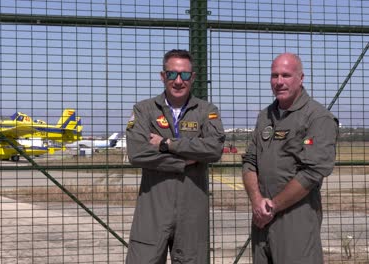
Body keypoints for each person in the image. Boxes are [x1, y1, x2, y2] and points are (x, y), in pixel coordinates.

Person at [125, 49, 225, 263]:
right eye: (172, 74)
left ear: (193, 77)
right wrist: (184, 160)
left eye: (185, 75)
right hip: (153, 207)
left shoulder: (207, 111)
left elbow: (214, 149)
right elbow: (137, 152)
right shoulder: (144, 110)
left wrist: (167, 143)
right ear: (163, 76)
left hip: (192, 209)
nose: (178, 81)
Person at [242, 53, 339, 264]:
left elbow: (312, 173)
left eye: (286, 75)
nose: (279, 82)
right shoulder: (265, 116)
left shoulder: (317, 117)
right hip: (262, 218)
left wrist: (273, 206)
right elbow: (250, 161)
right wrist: (258, 202)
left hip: (296, 217)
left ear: (301, 78)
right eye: (274, 76)